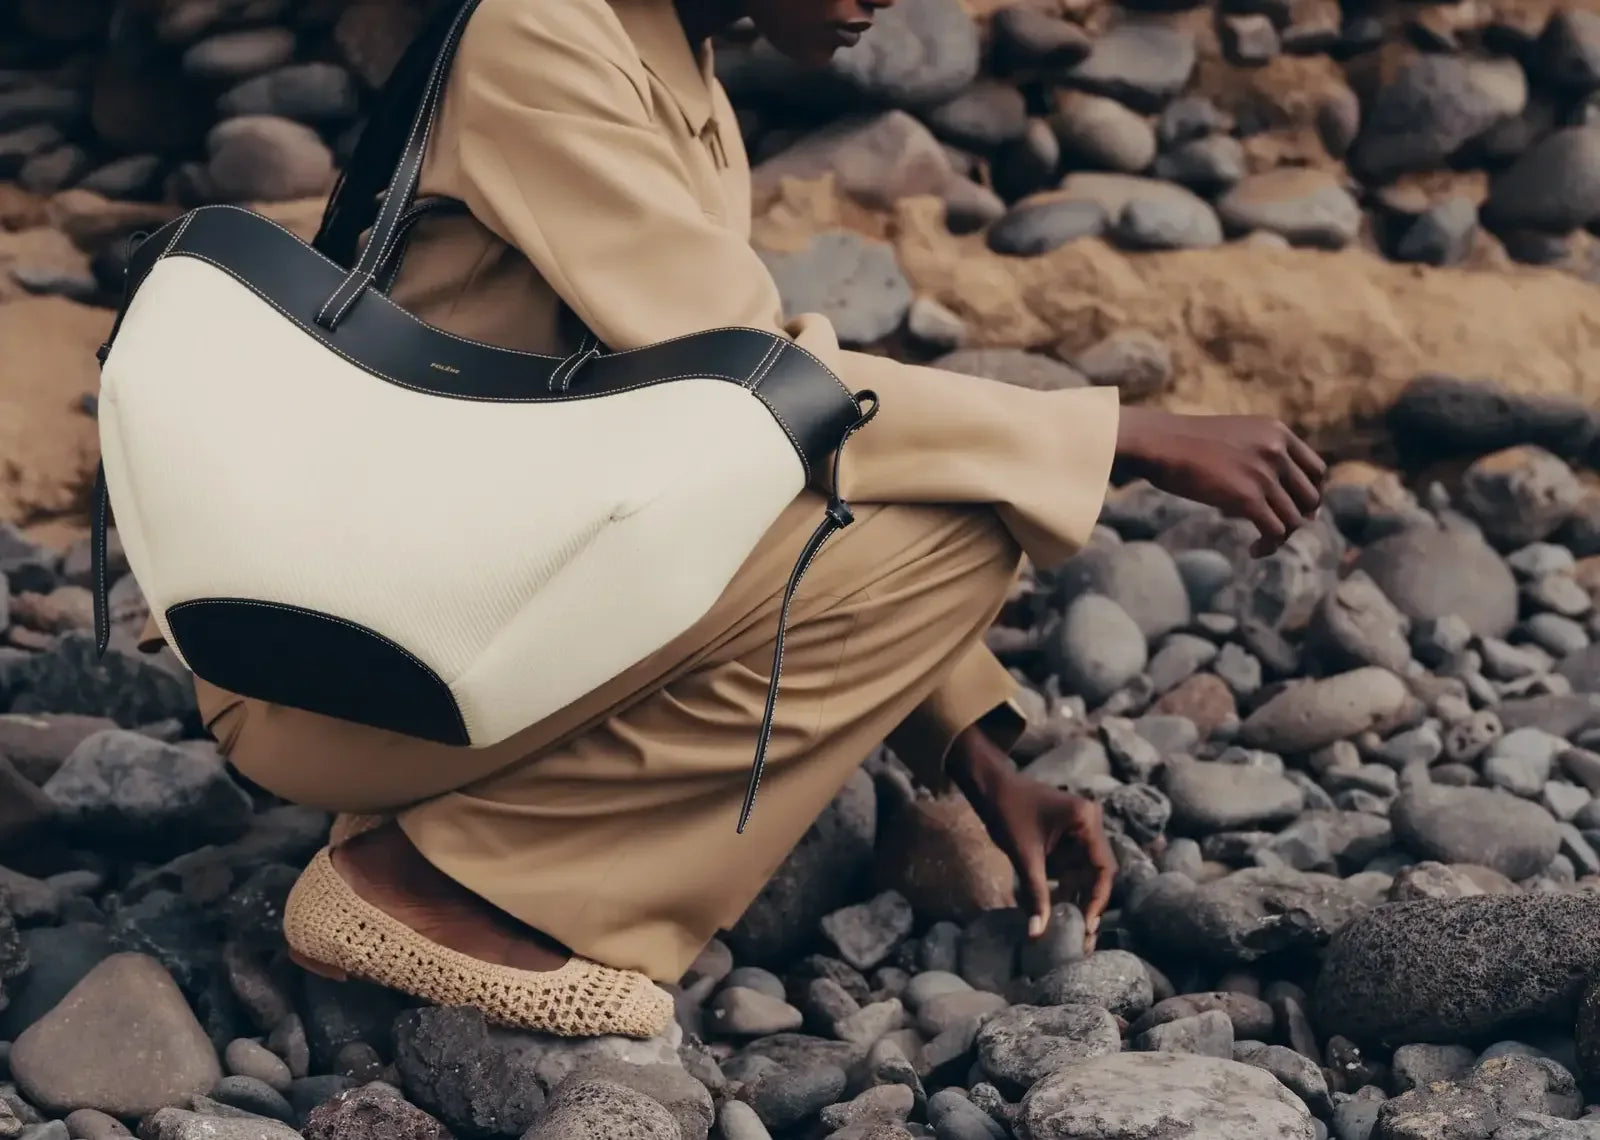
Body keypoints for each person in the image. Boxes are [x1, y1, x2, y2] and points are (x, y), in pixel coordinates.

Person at [137, 0, 1326, 1039]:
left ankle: (478, 821)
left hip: (431, 628)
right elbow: (774, 401)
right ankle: (444, 881)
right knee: (968, 517)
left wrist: (976, 757)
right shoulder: (541, 38)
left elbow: (747, 459)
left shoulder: (679, 82)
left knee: (927, 489)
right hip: (332, 665)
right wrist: (1123, 434)